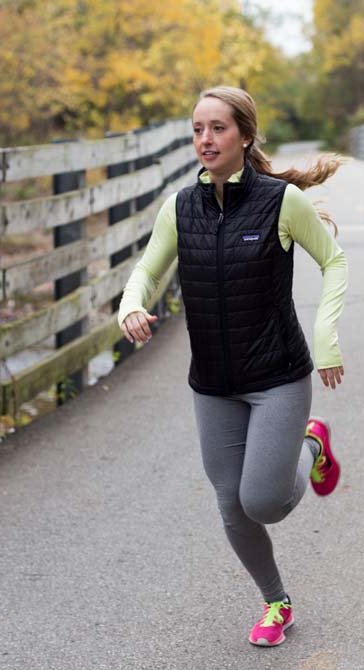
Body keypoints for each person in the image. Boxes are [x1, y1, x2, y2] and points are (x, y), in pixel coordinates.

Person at [117, 86, 348, 647]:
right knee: (232, 507)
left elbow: (334, 260)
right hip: (214, 383)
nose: (205, 139)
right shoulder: (180, 207)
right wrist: (130, 305)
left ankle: (311, 444)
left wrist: (325, 336)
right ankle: (276, 602)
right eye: (198, 129)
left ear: (245, 135)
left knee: (263, 501)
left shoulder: (280, 202)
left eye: (217, 128)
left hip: (277, 376)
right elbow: (147, 270)